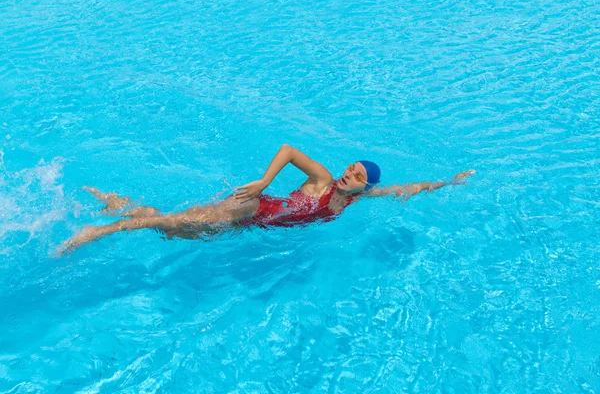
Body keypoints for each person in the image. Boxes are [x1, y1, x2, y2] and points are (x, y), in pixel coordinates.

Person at [59, 144, 475, 254]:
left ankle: (118, 203)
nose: (349, 173)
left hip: (249, 225)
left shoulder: (355, 200)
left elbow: (407, 189)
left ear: (364, 187)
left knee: (176, 229)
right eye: (351, 168)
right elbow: (290, 150)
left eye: (358, 175)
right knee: (171, 225)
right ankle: (98, 230)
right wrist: (262, 182)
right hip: (252, 207)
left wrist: (449, 183)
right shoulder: (325, 181)